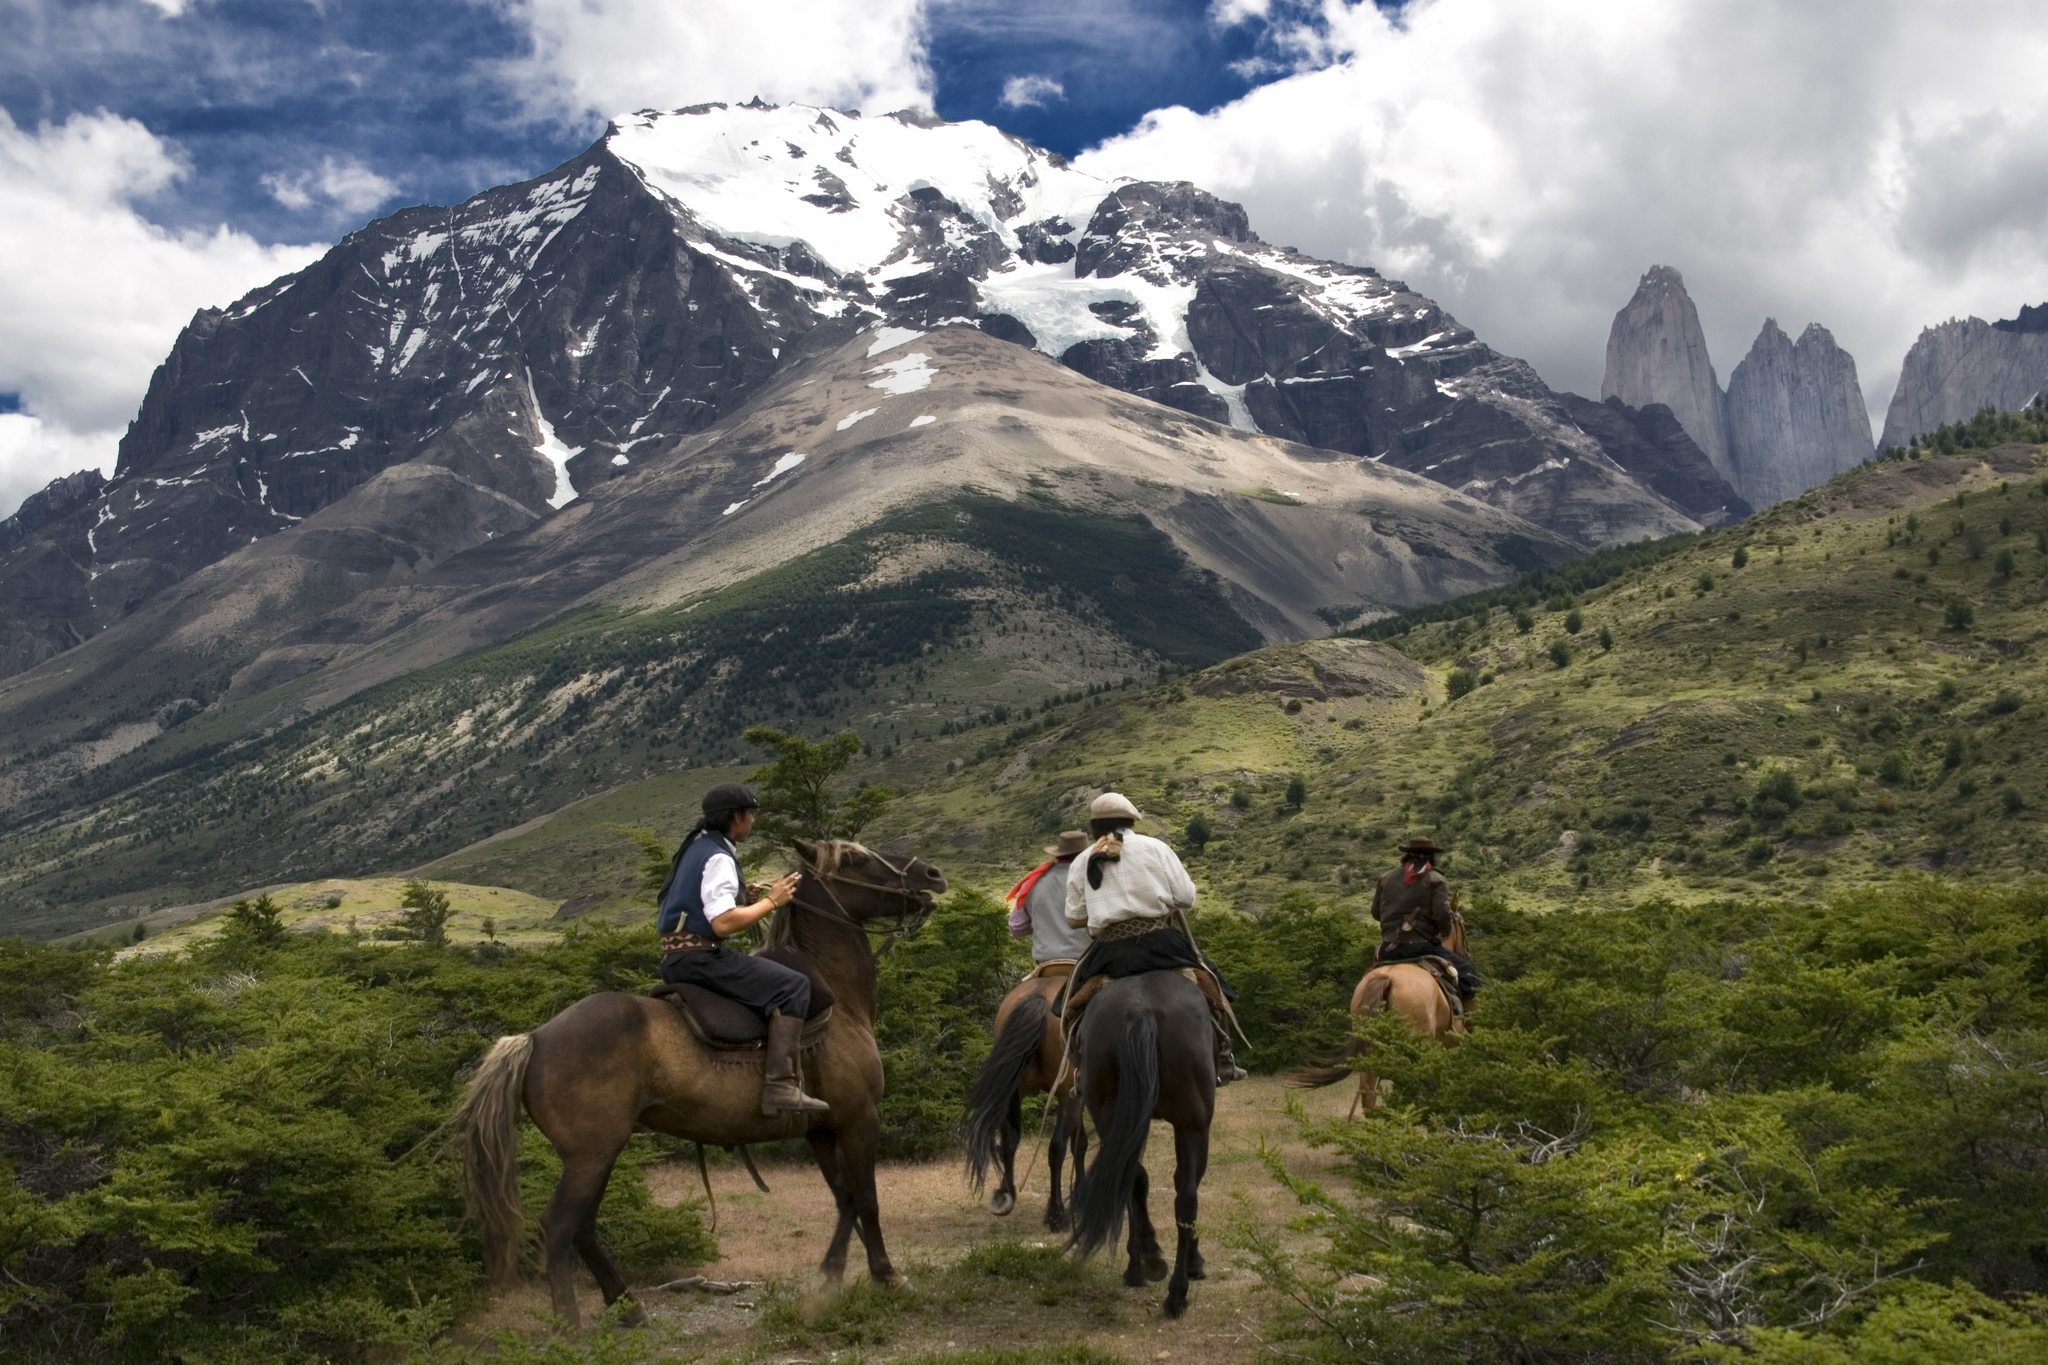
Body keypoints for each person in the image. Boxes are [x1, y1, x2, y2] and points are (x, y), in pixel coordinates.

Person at [655, 783, 829, 1116]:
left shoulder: (694, 846)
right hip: (702, 959)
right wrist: (771, 901)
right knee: (793, 986)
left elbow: (693, 905)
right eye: (749, 815)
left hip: (675, 958)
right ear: (736, 817)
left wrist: (742, 898)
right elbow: (722, 924)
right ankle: (781, 1086)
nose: (752, 822)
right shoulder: (719, 856)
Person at [1062, 792, 1246, 1084]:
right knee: (1215, 989)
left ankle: (1081, 1069)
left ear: (1095, 826)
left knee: (1066, 1007)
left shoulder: (1082, 860)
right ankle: (1224, 1057)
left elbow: (1073, 918)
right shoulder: (1156, 848)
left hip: (1109, 951)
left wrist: (1105, 910)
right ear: (1130, 821)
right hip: (1160, 941)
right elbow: (1186, 898)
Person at [1369, 835, 1481, 1010]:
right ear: (1431, 857)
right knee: (1467, 973)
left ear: (1406, 855)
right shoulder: (1436, 880)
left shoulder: (1385, 878)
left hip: (1387, 949)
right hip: (1421, 946)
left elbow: (1376, 913)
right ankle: (1471, 1023)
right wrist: (1442, 933)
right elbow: (1442, 915)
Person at [1005, 830, 1092, 964]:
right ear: (1085, 855)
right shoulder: (1093, 879)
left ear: (1058, 854)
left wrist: (1044, 923)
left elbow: (1016, 927)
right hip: (1086, 959)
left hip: (1045, 962)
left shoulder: (1033, 881)